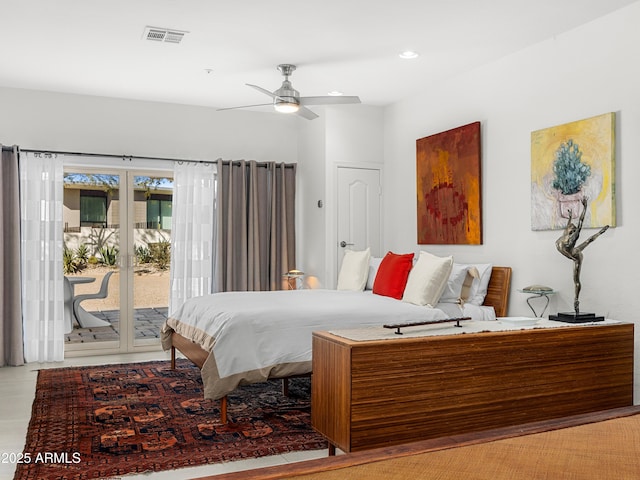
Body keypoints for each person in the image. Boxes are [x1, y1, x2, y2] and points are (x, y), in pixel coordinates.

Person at [555, 197, 609, 315]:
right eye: (571, 227)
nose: (571, 227)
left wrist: (585, 207)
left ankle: (576, 300)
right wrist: (569, 216)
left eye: (573, 228)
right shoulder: (566, 232)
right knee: (586, 243)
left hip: (576, 256)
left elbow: (580, 222)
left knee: (576, 280)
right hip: (573, 250)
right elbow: (570, 223)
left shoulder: (573, 237)